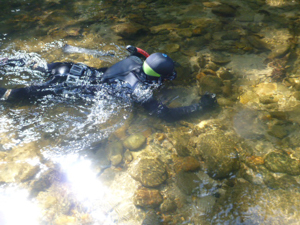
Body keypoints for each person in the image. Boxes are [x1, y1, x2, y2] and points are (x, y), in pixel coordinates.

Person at [0, 45, 217, 121]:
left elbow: (142, 55)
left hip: (74, 70)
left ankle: (7, 62)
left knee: (35, 66)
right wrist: (202, 106)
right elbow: (167, 116)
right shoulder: (141, 91)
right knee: (13, 95)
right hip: (74, 88)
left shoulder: (134, 60)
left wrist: (138, 52)